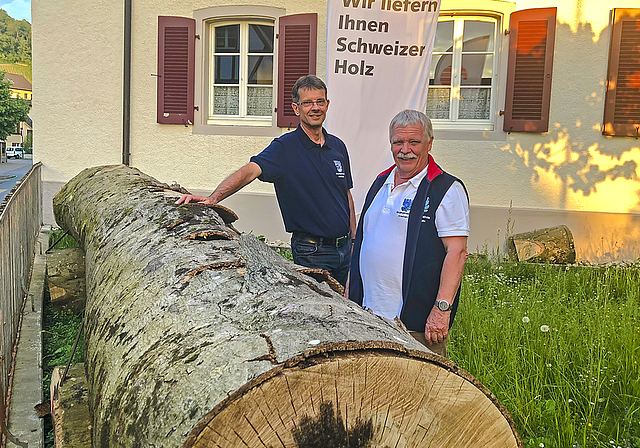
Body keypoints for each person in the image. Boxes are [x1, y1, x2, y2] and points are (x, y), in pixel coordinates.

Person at [176, 75, 356, 286]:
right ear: (296, 108)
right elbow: (249, 171)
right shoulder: (285, 148)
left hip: (344, 249)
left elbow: (345, 195)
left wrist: (354, 240)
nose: (315, 107)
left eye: (320, 101)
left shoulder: (338, 147)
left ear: (327, 104)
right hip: (312, 251)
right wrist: (215, 197)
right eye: (308, 102)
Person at [347, 109, 469, 357]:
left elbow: (457, 252)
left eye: (414, 142)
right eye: (398, 142)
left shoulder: (445, 189)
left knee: (420, 391)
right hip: (369, 316)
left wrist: (441, 310)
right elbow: (363, 241)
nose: (405, 149)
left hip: (415, 325)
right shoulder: (381, 181)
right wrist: (350, 290)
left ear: (429, 143)